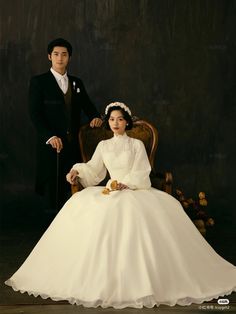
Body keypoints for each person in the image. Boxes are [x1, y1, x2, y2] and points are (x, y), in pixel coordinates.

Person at [5, 102, 236, 308]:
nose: (116, 123)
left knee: (137, 216)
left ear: (127, 122)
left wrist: (127, 184)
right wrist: (77, 172)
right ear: (109, 122)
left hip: (134, 189)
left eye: (120, 119)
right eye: (112, 119)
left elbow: (143, 171)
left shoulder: (136, 144)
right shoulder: (104, 146)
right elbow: (95, 171)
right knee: (82, 208)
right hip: (108, 190)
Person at [29, 38, 102, 212]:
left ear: (69, 57)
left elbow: (89, 107)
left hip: (73, 145)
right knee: (53, 191)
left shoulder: (77, 83)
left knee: (73, 187)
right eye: (56, 54)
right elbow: (35, 114)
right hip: (51, 145)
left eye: (64, 54)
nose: (60, 58)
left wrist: (95, 117)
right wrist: (50, 136)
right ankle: (53, 231)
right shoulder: (39, 82)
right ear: (49, 57)